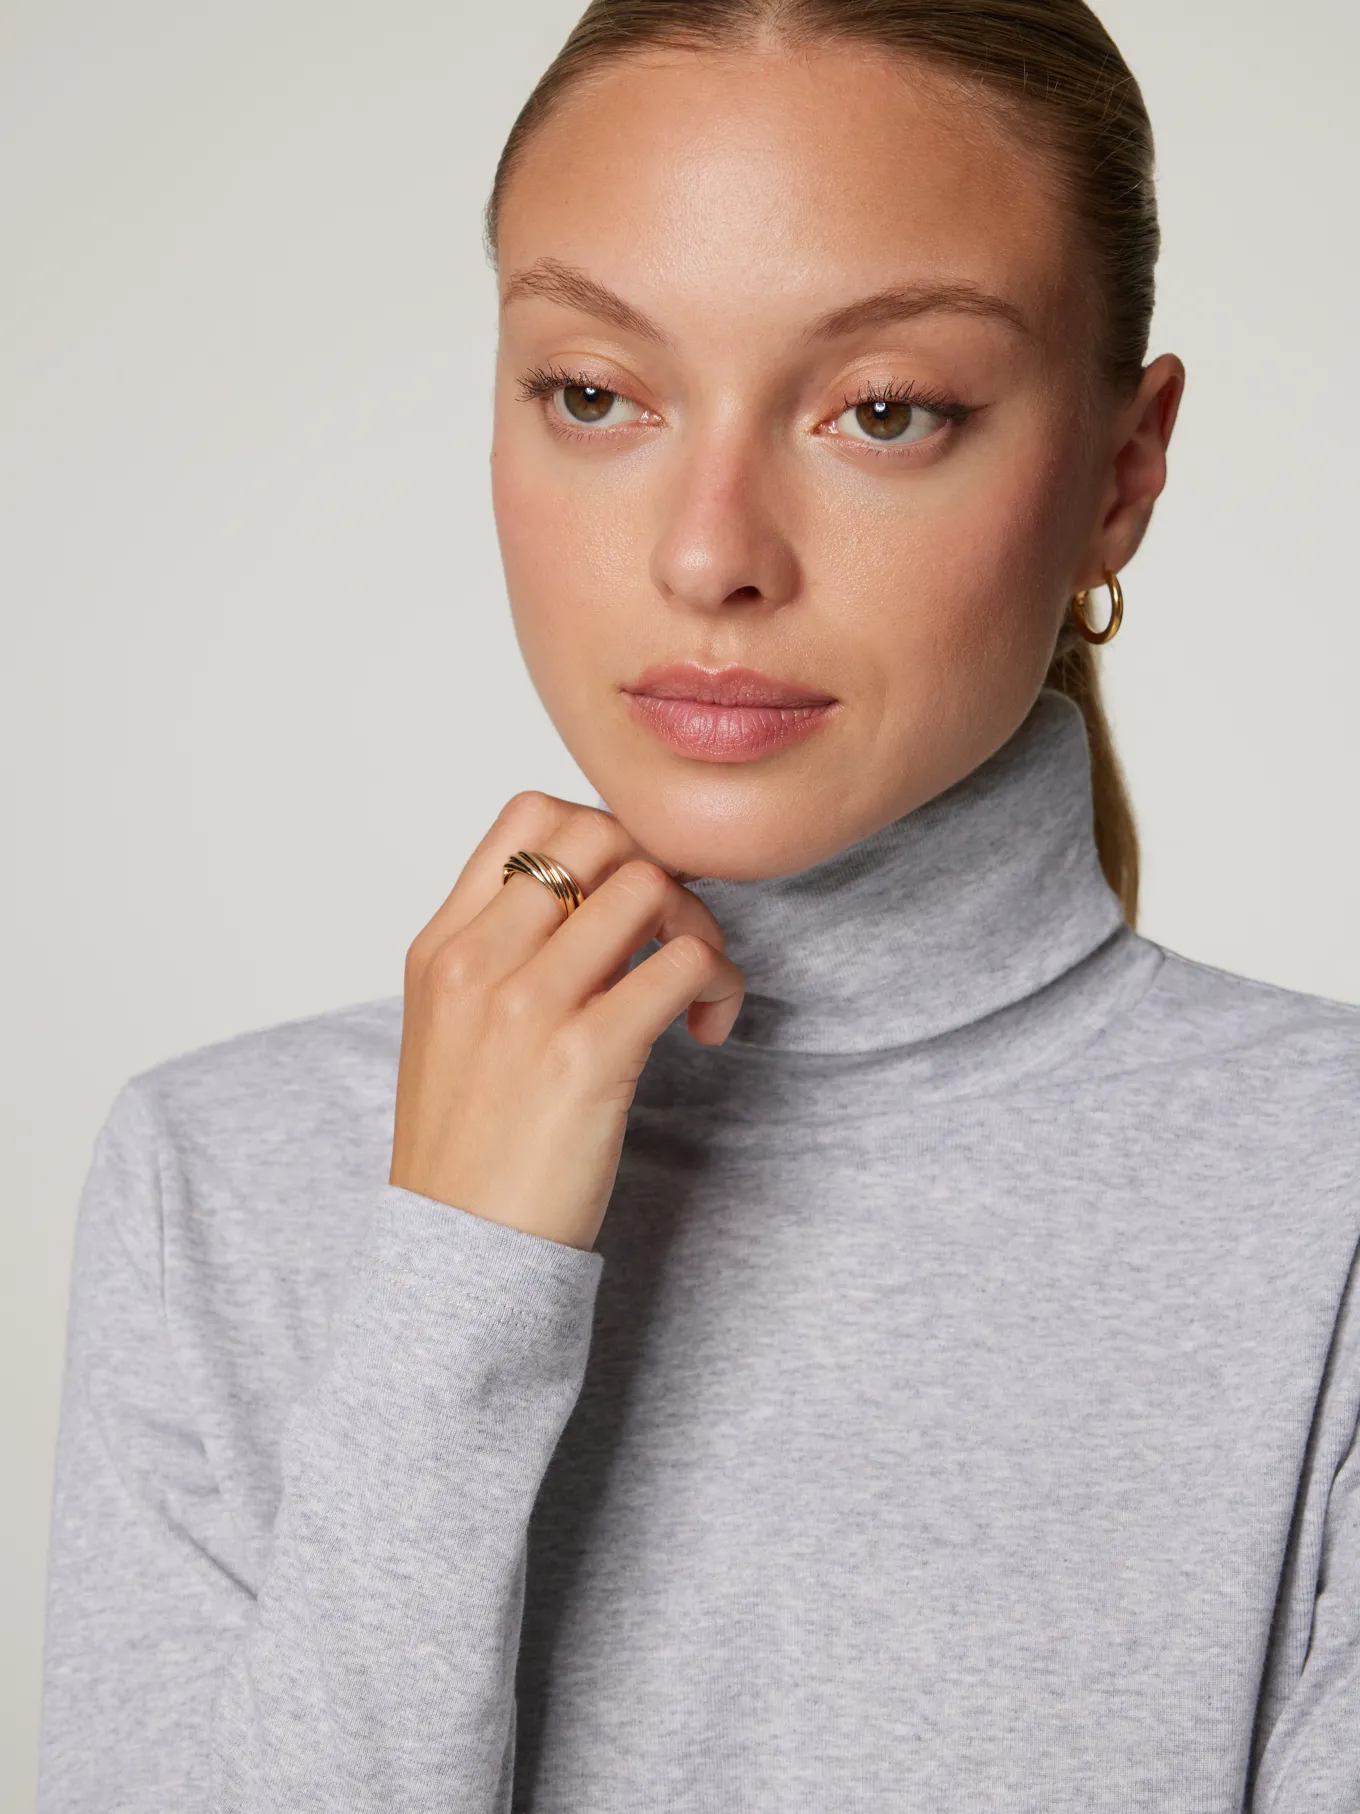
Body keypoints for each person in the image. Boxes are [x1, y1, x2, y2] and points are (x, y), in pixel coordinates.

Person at [34, 1, 1360, 1809]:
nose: (708, 551)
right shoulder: (222, 1178)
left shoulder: (1327, 1202)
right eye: (596, 394)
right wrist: (457, 1282)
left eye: (883, 410)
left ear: (1120, 474)